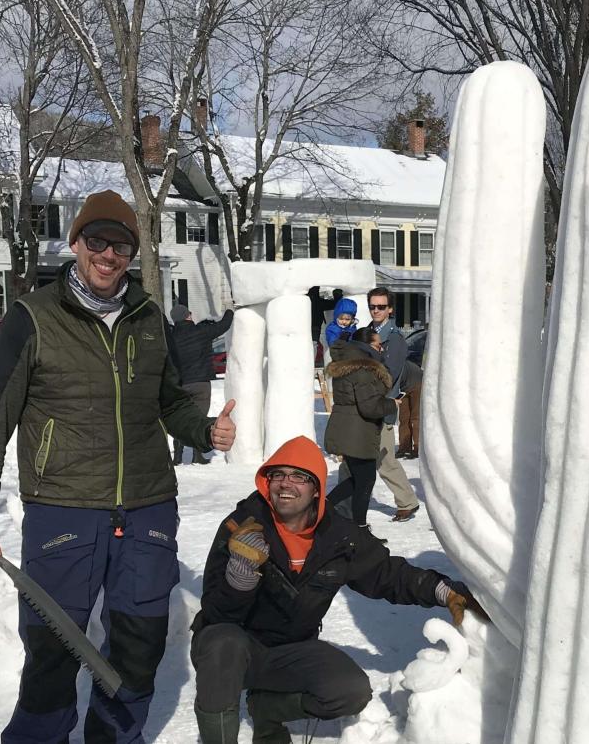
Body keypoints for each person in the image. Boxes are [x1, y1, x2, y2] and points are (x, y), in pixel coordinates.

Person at [0, 189, 238, 744]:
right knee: (52, 648)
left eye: (122, 245)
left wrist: (203, 429)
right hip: (62, 509)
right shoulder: (33, 318)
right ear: (76, 243)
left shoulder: (148, 317)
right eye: (98, 241)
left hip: (147, 509)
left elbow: (169, 402)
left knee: (139, 644)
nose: (109, 254)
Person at [189, 436, 480, 744]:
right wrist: (240, 578)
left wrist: (442, 591)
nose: (286, 484)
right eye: (278, 475)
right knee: (223, 642)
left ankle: (267, 710)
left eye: (299, 476)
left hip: (291, 649)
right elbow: (217, 614)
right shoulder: (242, 527)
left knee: (350, 691)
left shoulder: (339, 536)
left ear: (316, 488)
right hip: (234, 651)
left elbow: (387, 574)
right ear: (267, 481)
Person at [359, 287, 421, 521]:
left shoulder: (394, 339)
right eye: (372, 306)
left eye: (381, 307)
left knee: (384, 458)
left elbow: (389, 375)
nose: (376, 310)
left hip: (381, 406)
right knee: (355, 455)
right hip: (364, 404)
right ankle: (341, 502)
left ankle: (407, 501)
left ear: (390, 309)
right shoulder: (366, 332)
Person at [323, 328, 396, 528]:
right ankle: (359, 530)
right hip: (358, 432)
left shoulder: (348, 365)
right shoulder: (363, 370)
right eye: (377, 345)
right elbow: (370, 406)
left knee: (356, 480)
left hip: (348, 429)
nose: (380, 348)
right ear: (365, 347)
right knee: (364, 482)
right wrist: (392, 404)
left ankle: (322, 508)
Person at [170, 302, 235, 465]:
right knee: (198, 418)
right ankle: (197, 455)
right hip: (200, 384)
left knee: (180, 417)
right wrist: (229, 311)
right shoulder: (201, 331)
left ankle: (177, 455)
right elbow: (223, 326)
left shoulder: (170, 337)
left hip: (180, 384)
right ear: (188, 316)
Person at [321, 298, 358, 362]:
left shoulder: (352, 327)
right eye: (341, 318)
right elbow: (332, 344)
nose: (344, 322)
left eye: (347, 319)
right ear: (336, 316)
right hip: (337, 358)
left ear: (352, 319)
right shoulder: (332, 328)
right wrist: (343, 337)